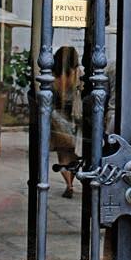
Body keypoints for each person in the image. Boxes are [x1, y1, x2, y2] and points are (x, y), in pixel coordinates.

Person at [51, 45, 82, 198]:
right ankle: (71, 181)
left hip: (58, 118)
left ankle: (68, 184)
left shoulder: (53, 77)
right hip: (75, 119)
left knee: (62, 155)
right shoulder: (77, 74)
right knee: (74, 155)